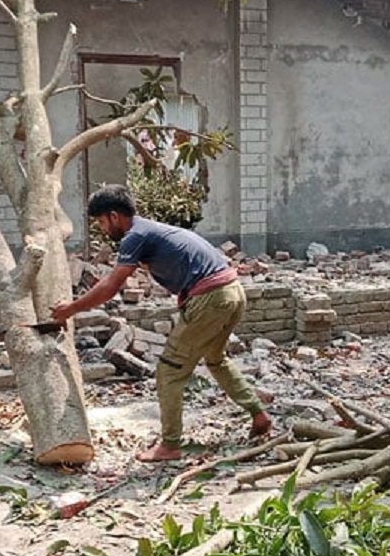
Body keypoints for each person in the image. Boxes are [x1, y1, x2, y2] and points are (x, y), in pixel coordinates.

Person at [51, 185, 271, 462]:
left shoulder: (135, 236)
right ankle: (259, 413)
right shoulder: (151, 230)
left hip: (212, 298)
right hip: (233, 292)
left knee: (168, 372)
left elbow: (111, 286)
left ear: (114, 216)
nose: (103, 229)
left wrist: (71, 308)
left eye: (102, 222)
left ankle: (170, 445)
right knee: (215, 360)